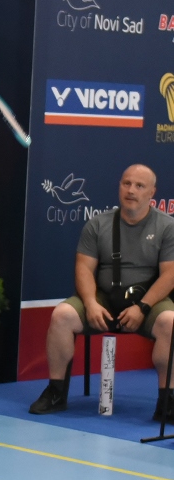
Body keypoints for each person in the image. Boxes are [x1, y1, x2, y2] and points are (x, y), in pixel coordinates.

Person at [29, 164, 174, 418]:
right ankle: (56, 392)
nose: (131, 190)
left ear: (152, 192)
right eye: (126, 183)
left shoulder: (167, 226)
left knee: (170, 322)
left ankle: (168, 402)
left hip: (148, 302)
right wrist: (90, 303)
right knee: (62, 315)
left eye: (139, 186)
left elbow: (170, 275)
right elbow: (83, 268)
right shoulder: (97, 224)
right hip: (104, 299)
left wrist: (143, 307)